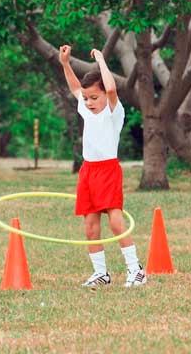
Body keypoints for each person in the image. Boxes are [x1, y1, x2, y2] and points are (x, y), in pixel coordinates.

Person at [59, 45, 146, 287]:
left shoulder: (112, 111)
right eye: (86, 99)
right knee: (90, 226)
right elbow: (76, 88)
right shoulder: (87, 111)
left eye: (94, 98)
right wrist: (66, 64)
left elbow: (110, 87)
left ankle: (136, 270)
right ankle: (101, 273)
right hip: (88, 171)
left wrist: (100, 60)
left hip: (107, 171)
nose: (88, 102)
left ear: (106, 98)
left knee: (116, 222)